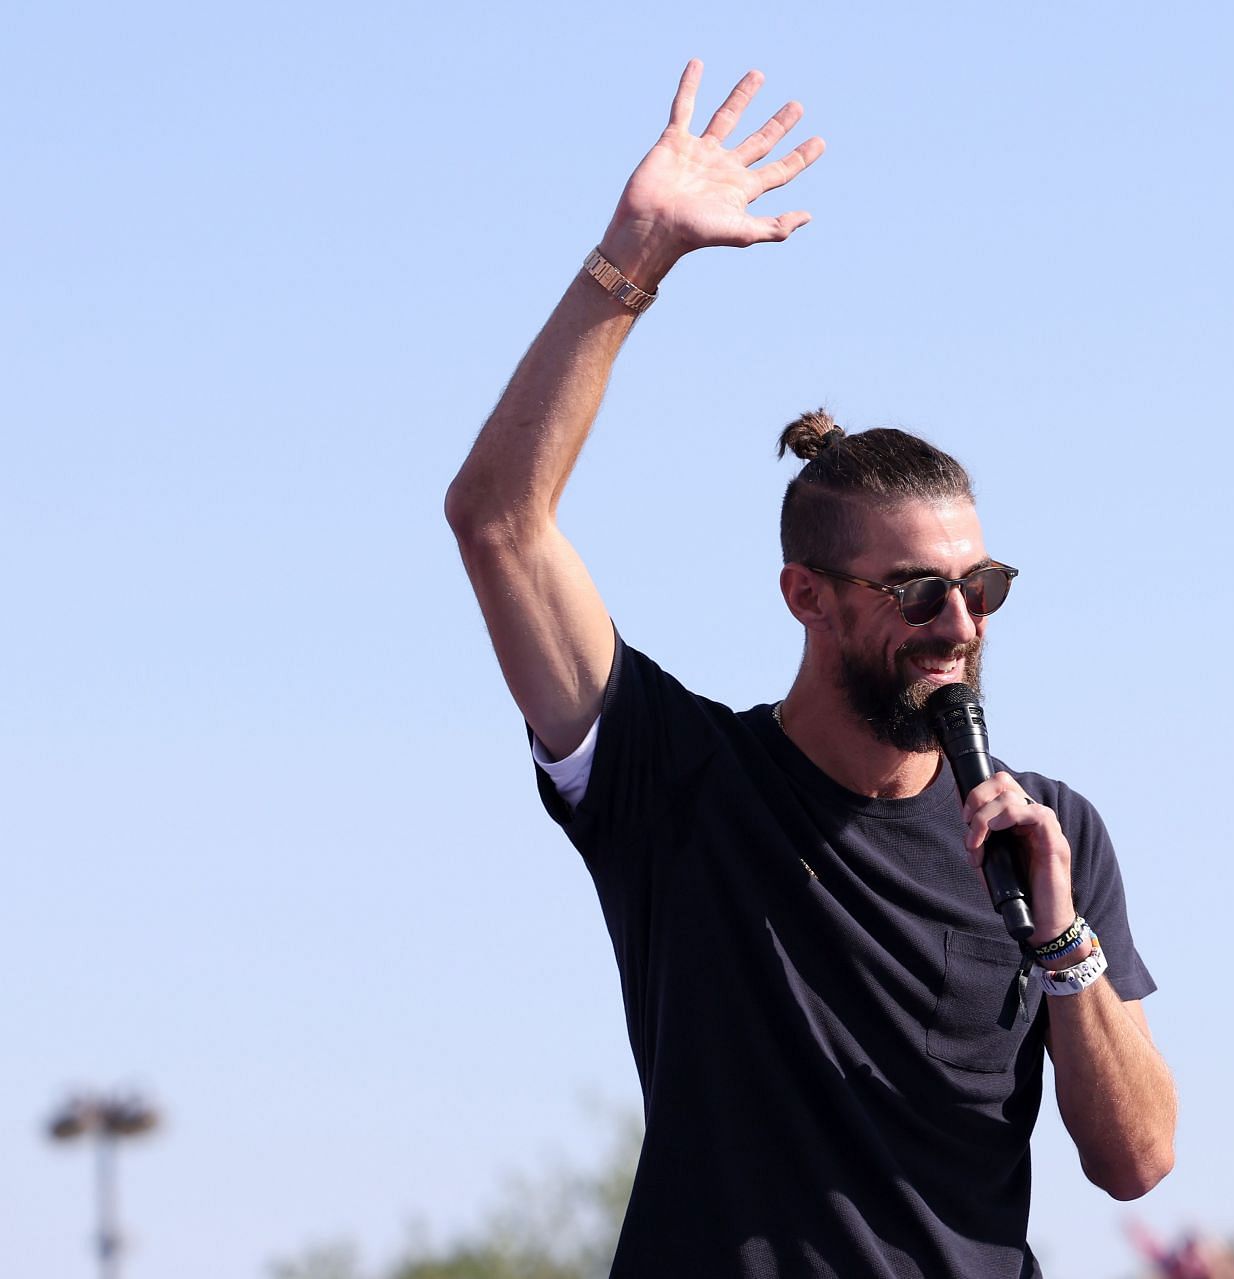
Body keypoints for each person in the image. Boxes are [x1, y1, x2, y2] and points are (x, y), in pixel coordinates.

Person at [444, 59, 1177, 1278]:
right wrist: (638, 255)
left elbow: (1137, 1160)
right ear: (808, 598)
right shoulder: (674, 777)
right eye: (917, 592)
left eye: (979, 588)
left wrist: (1061, 938)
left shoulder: (1055, 836)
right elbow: (499, 521)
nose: (958, 621)